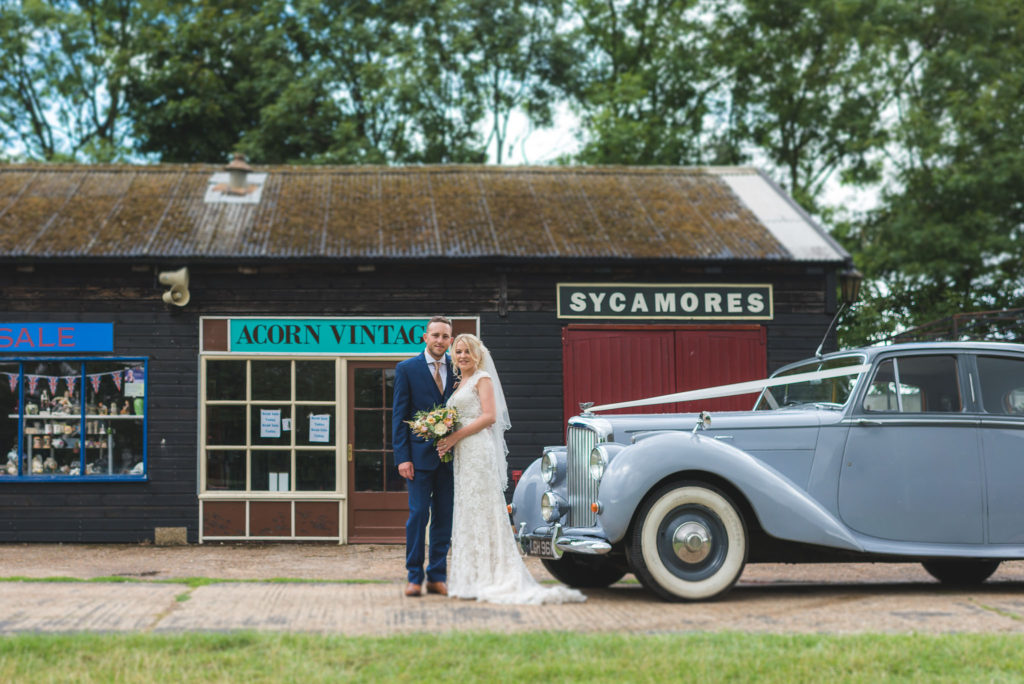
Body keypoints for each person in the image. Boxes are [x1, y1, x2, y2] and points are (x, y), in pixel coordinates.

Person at [438, 334, 585, 605]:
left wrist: (454, 438)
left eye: (467, 351)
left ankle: (493, 575)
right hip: (463, 454)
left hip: (478, 450)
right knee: (468, 510)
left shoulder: (483, 379)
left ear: (478, 354)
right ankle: (471, 576)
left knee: (483, 508)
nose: (462, 356)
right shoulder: (461, 383)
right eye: (458, 352)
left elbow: (489, 416)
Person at [392, 316, 457, 597]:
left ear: (451, 340)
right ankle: (414, 576)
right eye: (435, 335)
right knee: (418, 515)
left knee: (445, 517)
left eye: (445, 336)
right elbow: (399, 416)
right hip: (417, 459)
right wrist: (401, 457)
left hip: (453, 458)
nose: (440, 340)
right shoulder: (407, 369)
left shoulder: (459, 369)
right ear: (425, 337)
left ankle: (437, 576)